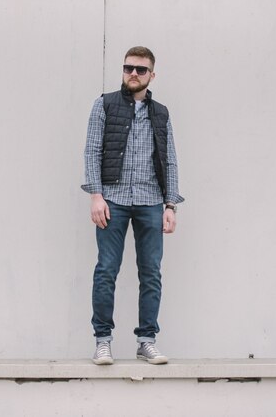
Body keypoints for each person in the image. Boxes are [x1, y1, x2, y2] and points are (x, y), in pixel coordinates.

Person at [81, 46, 184, 365]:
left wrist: (171, 204)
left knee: (151, 272)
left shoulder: (161, 112)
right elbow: (92, 150)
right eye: (128, 68)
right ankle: (103, 341)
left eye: (140, 70)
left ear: (152, 75)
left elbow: (169, 159)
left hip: (152, 201)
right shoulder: (105, 104)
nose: (133, 74)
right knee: (106, 270)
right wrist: (96, 195)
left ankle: (146, 340)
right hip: (113, 199)